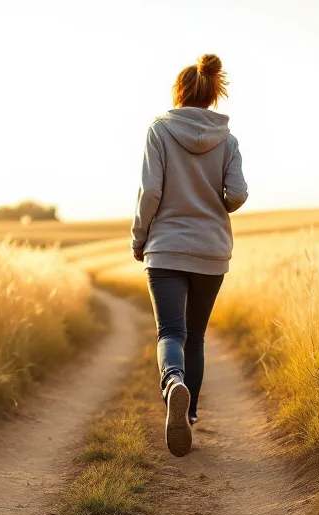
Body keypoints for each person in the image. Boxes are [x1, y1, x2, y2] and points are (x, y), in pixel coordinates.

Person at [131, 53, 248, 457]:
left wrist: (138, 238)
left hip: (165, 248)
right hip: (210, 251)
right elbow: (237, 194)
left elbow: (150, 192)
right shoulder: (228, 140)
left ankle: (172, 383)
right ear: (213, 94)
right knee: (195, 335)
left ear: (179, 93)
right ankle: (190, 412)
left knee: (170, 333)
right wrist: (215, 199)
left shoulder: (159, 131)